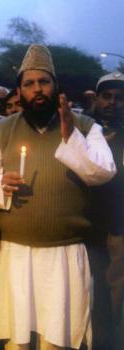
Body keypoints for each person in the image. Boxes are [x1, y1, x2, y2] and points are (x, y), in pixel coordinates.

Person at [0, 44, 116, 349]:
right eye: (29, 83)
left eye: (44, 82)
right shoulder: (2, 130)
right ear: (19, 91)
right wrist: (1, 182)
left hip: (64, 254)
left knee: (57, 340)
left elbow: (103, 171)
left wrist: (70, 136)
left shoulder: (84, 126)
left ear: (55, 86)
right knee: (18, 340)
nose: (37, 89)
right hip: (15, 253)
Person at [88, 71, 124, 349]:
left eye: (119, 98)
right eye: (107, 97)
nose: (112, 103)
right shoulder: (81, 131)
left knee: (112, 294)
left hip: (117, 230)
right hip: (80, 229)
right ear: (96, 99)